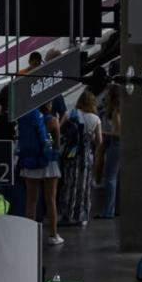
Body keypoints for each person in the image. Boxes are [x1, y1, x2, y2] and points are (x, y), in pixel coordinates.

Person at [18, 102, 63, 245]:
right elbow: (56, 143)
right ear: (48, 105)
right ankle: (53, 235)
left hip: (31, 162)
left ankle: (29, 235)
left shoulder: (27, 116)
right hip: (48, 162)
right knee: (50, 199)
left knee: (31, 202)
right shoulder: (52, 120)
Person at [57, 91, 102, 227]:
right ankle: (81, 216)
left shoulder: (71, 114)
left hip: (71, 154)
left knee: (69, 184)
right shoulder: (95, 119)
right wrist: (90, 138)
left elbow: (58, 131)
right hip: (86, 157)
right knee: (83, 185)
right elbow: (99, 140)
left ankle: (66, 215)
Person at [93, 84, 121, 219]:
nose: (105, 96)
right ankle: (113, 209)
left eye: (108, 94)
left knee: (110, 178)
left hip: (116, 144)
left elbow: (118, 132)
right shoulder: (111, 110)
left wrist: (100, 132)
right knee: (114, 178)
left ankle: (108, 211)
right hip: (114, 144)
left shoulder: (116, 111)